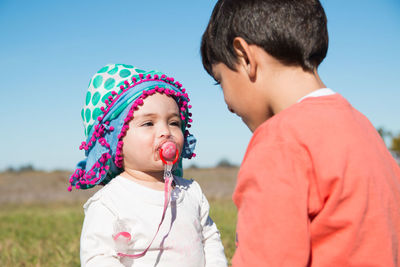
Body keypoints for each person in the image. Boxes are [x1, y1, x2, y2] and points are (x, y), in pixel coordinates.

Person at [200, 0, 400, 266]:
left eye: (220, 80)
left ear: (245, 57)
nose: (227, 104)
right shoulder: (362, 128)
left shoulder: (279, 141)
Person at [69, 64, 228, 267]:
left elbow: (209, 239)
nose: (165, 132)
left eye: (173, 122)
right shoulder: (109, 203)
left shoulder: (191, 192)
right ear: (115, 140)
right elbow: (98, 258)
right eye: (148, 123)